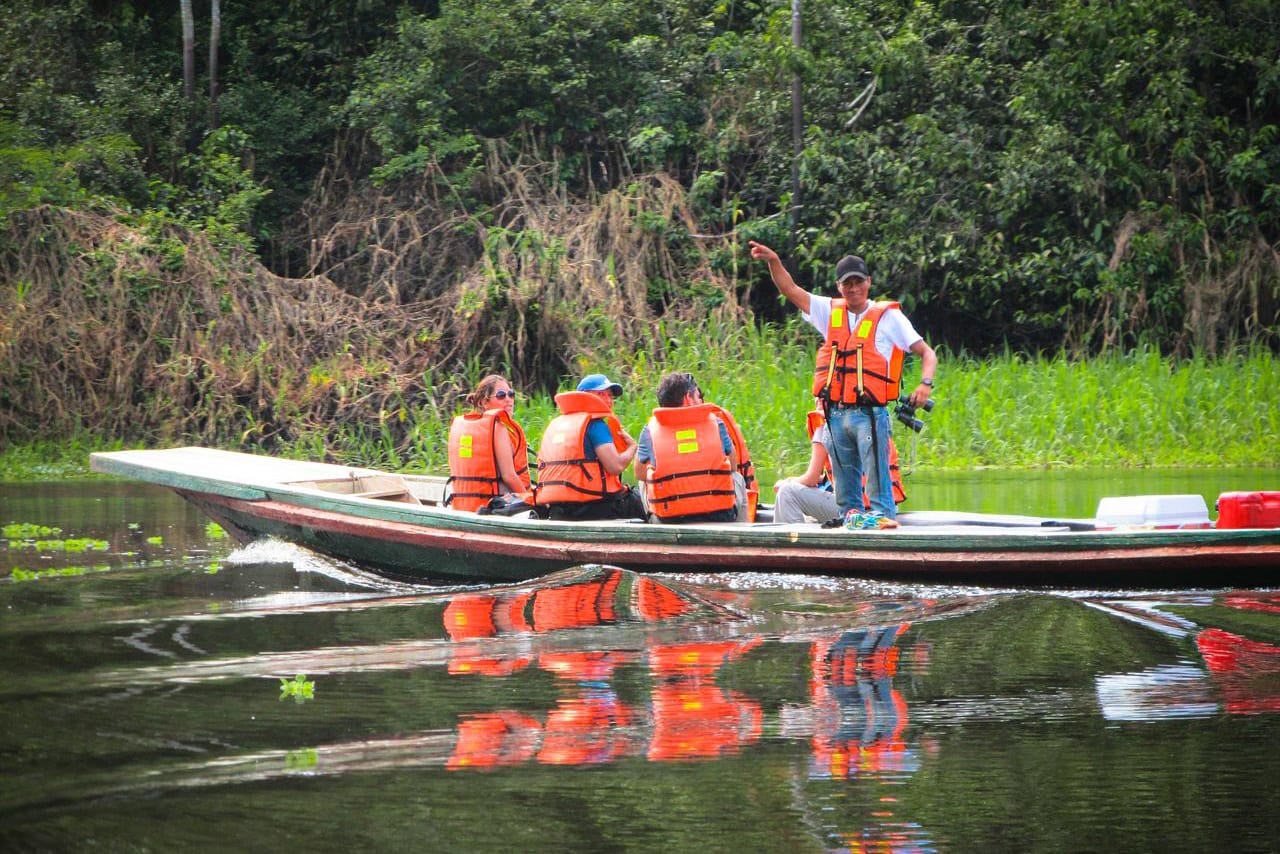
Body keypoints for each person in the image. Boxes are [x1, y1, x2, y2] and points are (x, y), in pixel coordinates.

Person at [749, 241, 936, 522]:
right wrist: (774, 261)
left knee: (876, 482)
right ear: (839, 286)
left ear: (868, 283)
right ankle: (852, 524)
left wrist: (925, 384)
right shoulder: (829, 311)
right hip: (835, 414)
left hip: (869, 414)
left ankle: (883, 522)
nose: (853, 288)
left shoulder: (889, 317)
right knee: (846, 494)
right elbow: (790, 290)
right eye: (847, 283)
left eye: (858, 282)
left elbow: (927, 353)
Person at [635, 372, 749, 523]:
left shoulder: (650, 430)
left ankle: (653, 529)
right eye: (697, 394)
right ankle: (740, 534)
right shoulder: (716, 423)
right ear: (688, 398)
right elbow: (733, 465)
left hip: (669, 520)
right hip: (720, 515)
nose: (700, 399)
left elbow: (639, 473)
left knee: (644, 481)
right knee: (737, 477)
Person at [533, 373, 646, 521]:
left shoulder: (556, 424)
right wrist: (632, 448)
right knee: (638, 500)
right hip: (594, 507)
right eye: (601, 394)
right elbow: (615, 466)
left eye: (610, 396)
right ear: (584, 396)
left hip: (558, 509)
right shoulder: (596, 426)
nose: (608, 400)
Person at [773, 408, 907, 524]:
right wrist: (825, 479)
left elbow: (811, 478)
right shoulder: (873, 418)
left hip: (856, 510)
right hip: (886, 506)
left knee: (786, 492)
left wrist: (787, 481)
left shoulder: (829, 424)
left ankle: (793, 548)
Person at [446, 374, 531, 512]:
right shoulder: (498, 427)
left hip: (465, 507)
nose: (508, 400)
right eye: (501, 395)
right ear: (484, 402)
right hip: (496, 508)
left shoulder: (465, 426)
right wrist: (530, 500)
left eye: (511, 394)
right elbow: (509, 476)